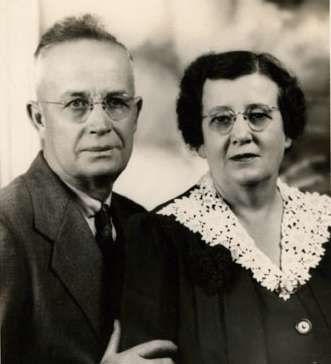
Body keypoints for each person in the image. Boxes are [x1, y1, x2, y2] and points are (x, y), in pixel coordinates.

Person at [120, 51, 331, 364]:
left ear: (287, 132)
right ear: (200, 141)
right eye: (221, 120)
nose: (242, 134)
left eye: (258, 116)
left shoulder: (325, 221)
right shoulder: (158, 240)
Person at [0, 14, 176, 364]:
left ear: (136, 113)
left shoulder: (139, 224)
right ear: (39, 118)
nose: (100, 123)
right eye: (76, 104)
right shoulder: (7, 228)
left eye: (115, 103)